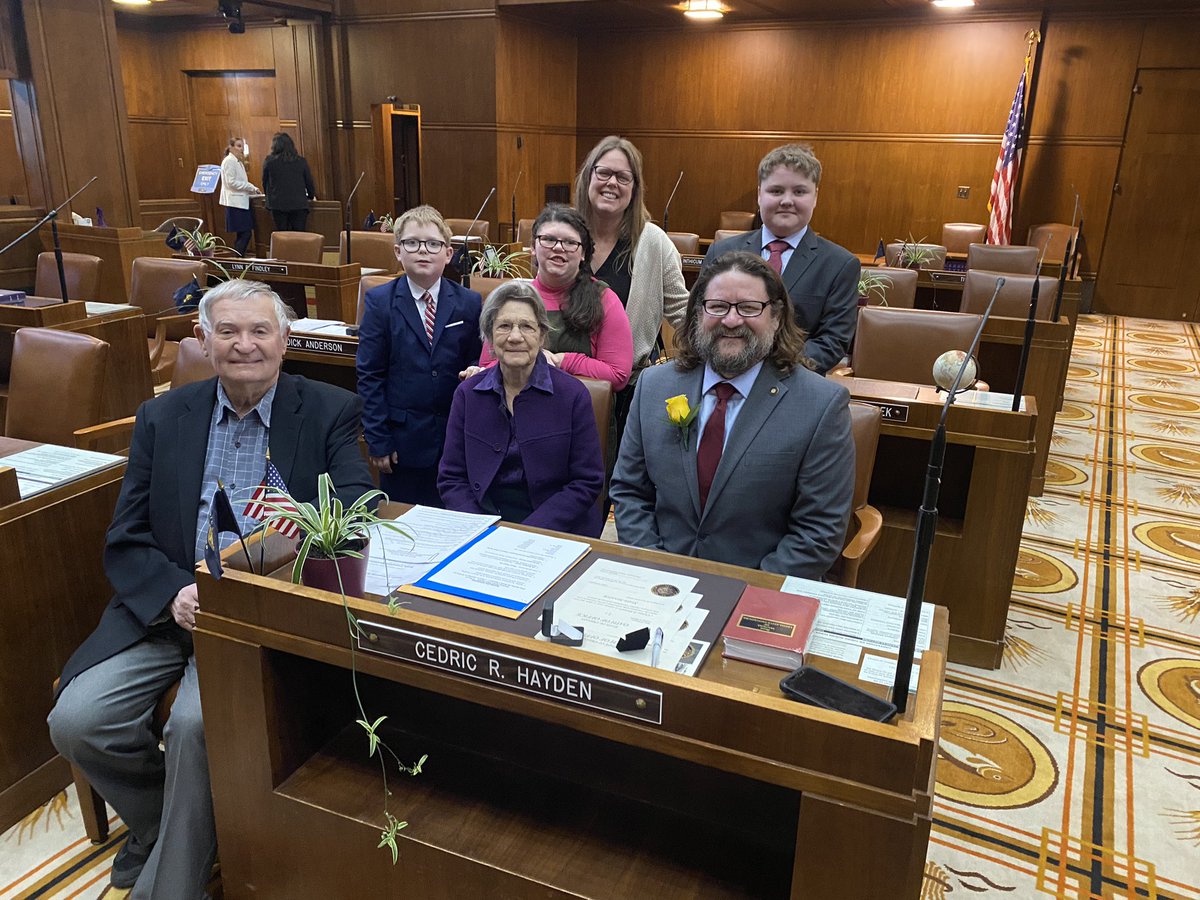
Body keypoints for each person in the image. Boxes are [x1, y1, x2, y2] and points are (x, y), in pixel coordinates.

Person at [48, 279, 375, 900]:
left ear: (285, 340)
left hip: (253, 615)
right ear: (202, 340)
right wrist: (175, 594)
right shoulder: (164, 415)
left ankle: (169, 887)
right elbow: (126, 535)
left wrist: (281, 573)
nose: (245, 345)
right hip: (167, 605)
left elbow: (358, 512)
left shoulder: (331, 409)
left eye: (260, 331)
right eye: (228, 331)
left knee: (195, 727)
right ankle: (160, 825)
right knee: (77, 721)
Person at [611, 251, 854, 579]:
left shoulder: (821, 405)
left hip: (759, 591)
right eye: (718, 306)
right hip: (659, 579)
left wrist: (746, 591)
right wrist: (656, 570)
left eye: (749, 308)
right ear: (698, 314)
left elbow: (818, 533)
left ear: (777, 316)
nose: (731, 320)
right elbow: (630, 491)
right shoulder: (654, 386)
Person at [441, 281, 604, 537]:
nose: (515, 337)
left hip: (556, 528)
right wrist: (482, 530)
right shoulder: (467, 395)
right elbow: (451, 478)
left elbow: (587, 481)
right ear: (490, 337)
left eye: (526, 326)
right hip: (482, 526)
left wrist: (527, 532)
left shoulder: (573, 395)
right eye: (504, 326)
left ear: (541, 336)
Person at [357, 205, 483, 507]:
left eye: (433, 244)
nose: (423, 251)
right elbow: (370, 375)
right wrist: (378, 439)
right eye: (412, 243)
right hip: (403, 443)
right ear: (398, 251)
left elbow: (476, 362)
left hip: (456, 439)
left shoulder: (468, 302)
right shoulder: (380, 302)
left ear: (448, 253)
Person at [702, 143, 860, 375]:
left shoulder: (839, 265)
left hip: (792, 383)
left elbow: (832, 341)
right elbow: (701, 318)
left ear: (815, 196)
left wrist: (766, 367)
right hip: (723, 377)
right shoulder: (721, 252)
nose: (787, 200)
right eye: (776, 191)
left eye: (799, 192)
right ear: (759, 194)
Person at [477, 204, 632, 391]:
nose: (558, 248)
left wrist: (561, 360)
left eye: (570, 242)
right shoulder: (510, 298)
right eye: (548, 239)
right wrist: (533, 360)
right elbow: (486, 369)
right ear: (533, 247)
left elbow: (618, 375)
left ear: (583, 253)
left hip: (581, 414)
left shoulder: (604, 299)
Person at [573, 135, 688, 378]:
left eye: (623, 177)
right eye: (604, 173)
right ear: (588, 176)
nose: (612, 183)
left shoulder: (654, 243)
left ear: (635, 188)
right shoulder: (564, 234)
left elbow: (683, 314)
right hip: (566, 382)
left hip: (630, 388)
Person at [261, 132, 316, 232]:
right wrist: (311, 196)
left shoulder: (269, 161)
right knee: (299, 236)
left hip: (277, 204)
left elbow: (265, 182)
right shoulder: (301, 161)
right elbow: (309, 181)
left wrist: (268, 196)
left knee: (282, 237)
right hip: (299, 204)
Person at [219, 136, 260, 257]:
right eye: (238, 146)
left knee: (243, 233)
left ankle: (239, 256)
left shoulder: (237, 161)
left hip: (241, 201)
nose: (241, 149)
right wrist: (250, 187)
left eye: (242, 146)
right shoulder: (229, 161)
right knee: (245, 233)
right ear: (231, 147)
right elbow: (230, 182)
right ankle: (238, 257)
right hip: (235, 202)